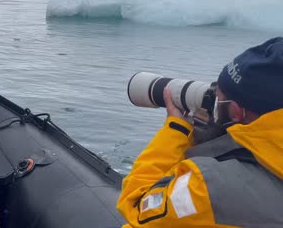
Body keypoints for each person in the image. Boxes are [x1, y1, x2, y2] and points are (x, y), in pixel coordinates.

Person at [117, 37, 283, 227]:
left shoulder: (210, 187)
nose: (213, 104)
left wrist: (177, 130)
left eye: (218, 101)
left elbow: (138, 208)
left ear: (237, 112)